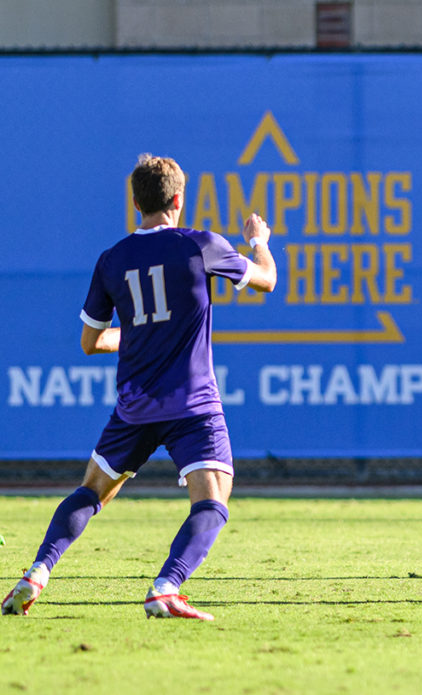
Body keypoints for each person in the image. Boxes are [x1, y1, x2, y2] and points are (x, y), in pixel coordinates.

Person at [2, 154, 277, 621]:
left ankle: (36, 573)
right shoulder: (201, 246)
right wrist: (258, 240)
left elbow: (91, 342)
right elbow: (266, 280)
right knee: (212, 501)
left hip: (134, 405)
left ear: (135, 202)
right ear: (177, 199)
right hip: (192, 403)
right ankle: (167, 586)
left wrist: (136, 334)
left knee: (91, 493)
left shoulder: (113, 260)